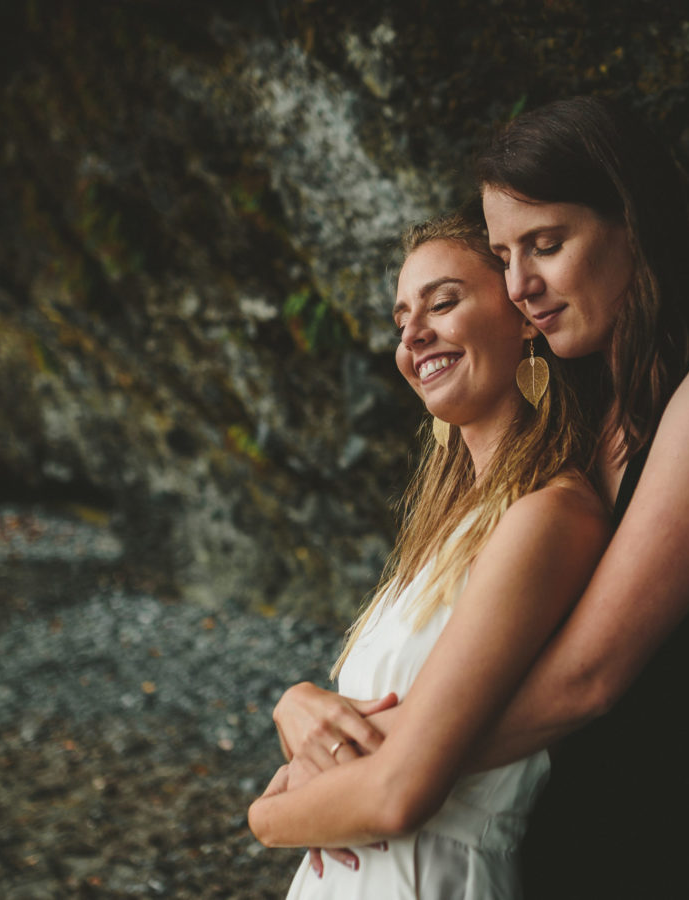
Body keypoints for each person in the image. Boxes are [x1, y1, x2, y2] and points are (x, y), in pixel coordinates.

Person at [283, 95, 689, 899]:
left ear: (633, 227)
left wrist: (376, 768)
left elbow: (589, 679)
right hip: (527, 861)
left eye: (546, 245)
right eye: (504, 256)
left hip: (661, 863)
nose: (521, 285)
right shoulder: (572, 431)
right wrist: (307, 712)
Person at [248, 208, 609, 898]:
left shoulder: (549, 516)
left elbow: (397, 795)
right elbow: (367, 732)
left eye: (443, 303)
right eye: (400, 320)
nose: (413, 334)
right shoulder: (448, 533)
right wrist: (296, 702)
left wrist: (269, 816)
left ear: (524, 318)